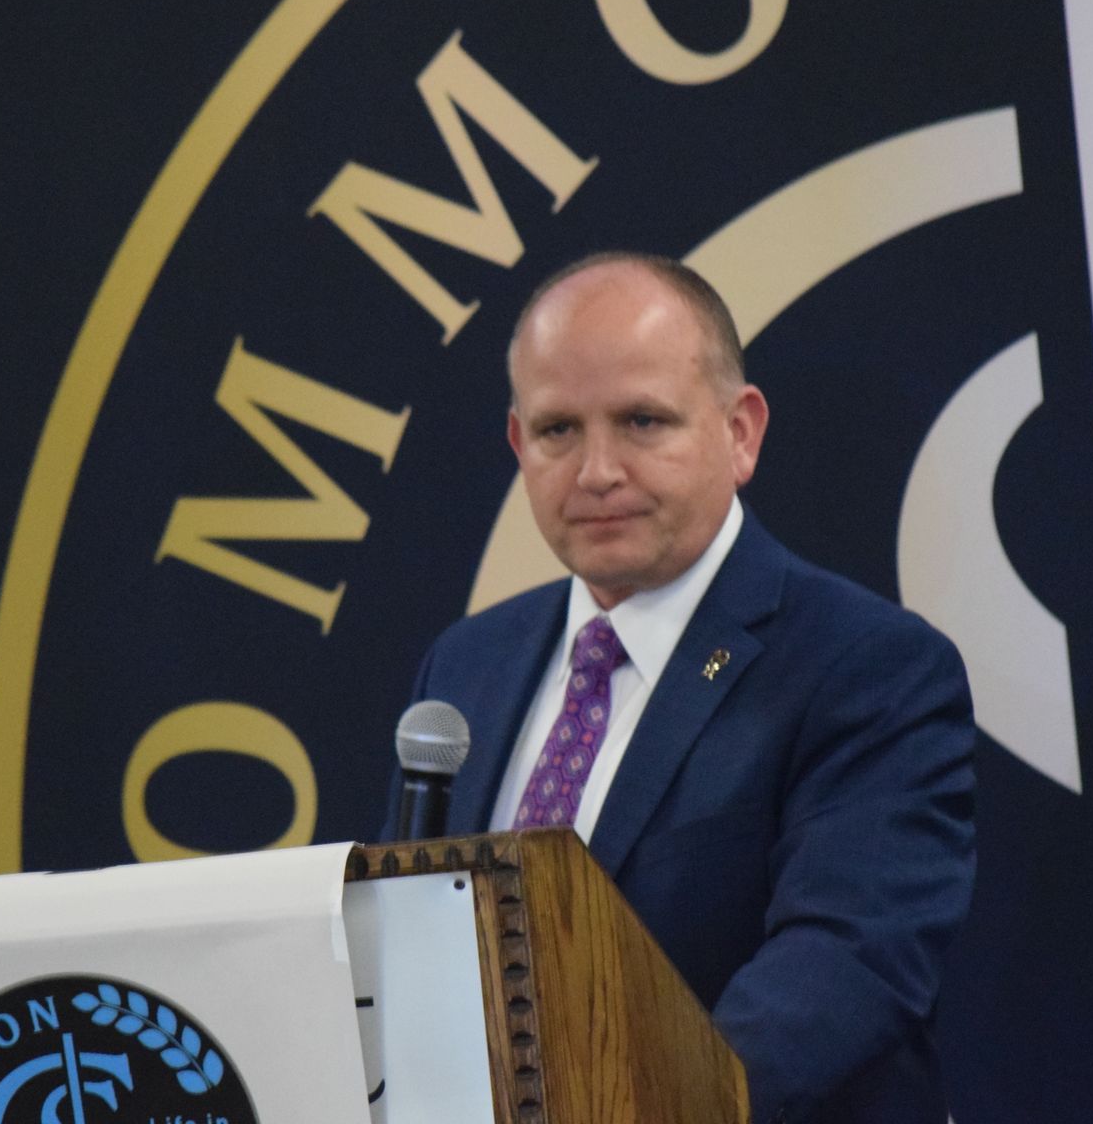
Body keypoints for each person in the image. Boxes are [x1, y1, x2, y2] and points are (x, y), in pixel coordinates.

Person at [394, 252, 975, 1124]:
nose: (596, 471)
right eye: (558, 431)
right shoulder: (467, 666)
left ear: (740, 432)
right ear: (518, 445)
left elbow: (846, 966)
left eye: (641, 421)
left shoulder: (867, 666)